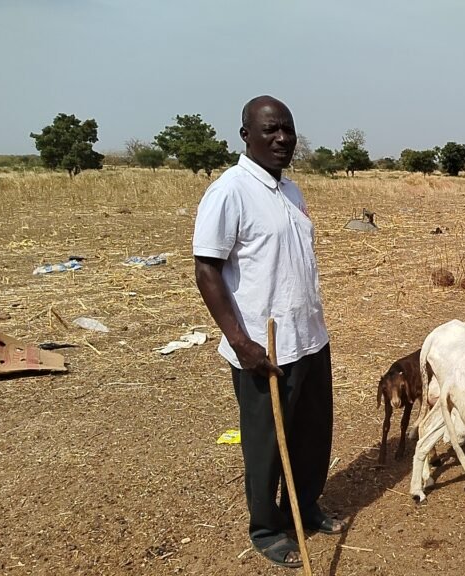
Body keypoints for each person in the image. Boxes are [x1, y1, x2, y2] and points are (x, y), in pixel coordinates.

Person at [193, 95, 345, 569]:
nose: (282, 140)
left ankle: (304, 506)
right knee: (265, 444)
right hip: (263, 348)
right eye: (271, 130)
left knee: (312, 437)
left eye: (288, 131)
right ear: (246, 136)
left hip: (308, 338)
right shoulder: (230, 191)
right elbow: (207, 270)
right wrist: (241, 342)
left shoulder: (292, 191)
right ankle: (266, 528)